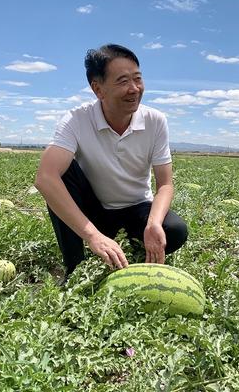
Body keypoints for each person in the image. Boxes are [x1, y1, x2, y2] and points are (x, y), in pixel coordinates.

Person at [35, 44, 188, 277]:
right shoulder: (77, 119)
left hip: (137, 209)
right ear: (98, 89)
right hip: (94, 210)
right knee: (60, 173)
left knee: (174, 230)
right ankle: (74, 267)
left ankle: (133, 248)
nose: (134, 88)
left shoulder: (155, 121)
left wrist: (154, 223)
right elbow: (45, 178)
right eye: (123, 81)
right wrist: (92, 236)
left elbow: (165, 184)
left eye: (138, 79)